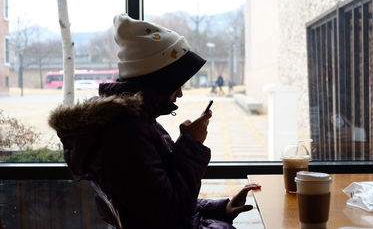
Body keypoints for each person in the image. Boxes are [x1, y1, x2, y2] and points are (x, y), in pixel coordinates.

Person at [48, 14, 260, 229]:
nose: (179, 94)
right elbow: (169, 211)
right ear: (159, 82)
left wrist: (219, 209)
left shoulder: (134, 122)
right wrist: (191, 145)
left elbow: (157, 198)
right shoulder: (127, 132)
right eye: (176, 85)